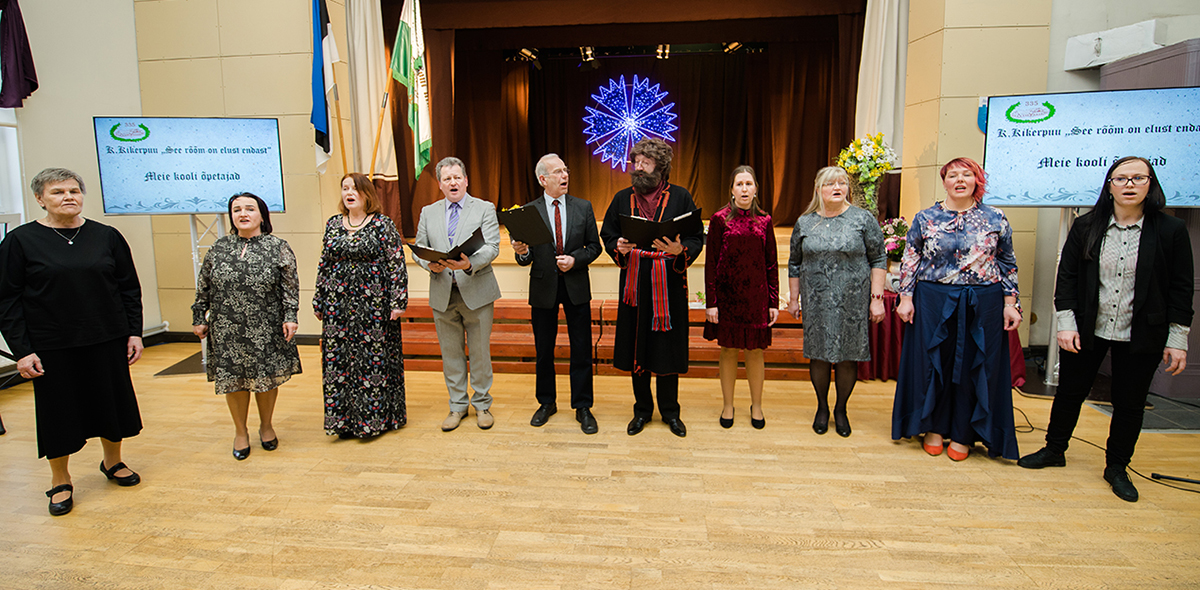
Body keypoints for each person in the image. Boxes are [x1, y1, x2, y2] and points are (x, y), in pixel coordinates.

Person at [1018, 156, 1193, 502]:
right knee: (1070, 392)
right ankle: (1054, 449)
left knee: (1130, 403)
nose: (1129, 184)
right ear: (1109, 185)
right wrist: (1065, 324)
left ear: (1151, 185)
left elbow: (1181, 287)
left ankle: (1117, 467)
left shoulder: (1170, 231)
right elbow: (1067, 278)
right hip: (1087, 327)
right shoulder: (1086, 226)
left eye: (1138, 178)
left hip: (1141, 331)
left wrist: (1178, 339)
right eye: (1121, 178)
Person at [0, 168, 144, 516]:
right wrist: (22, 350)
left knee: (111, 403)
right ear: (40, 199)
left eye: (74, 191)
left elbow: (128, 287)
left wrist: (134, 332)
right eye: (58, 192)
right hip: (51, 344)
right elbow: (7, 299)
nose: (68, 197)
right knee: (58, 413)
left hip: (106, 337)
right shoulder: (20, 241)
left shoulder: (106, 236)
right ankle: (60, 479)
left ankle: (113, 462)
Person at [891, 157, 1022, 461]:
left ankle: (964, 433)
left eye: (967, 175)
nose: (960, 180)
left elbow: (1007, 261)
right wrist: (906, 297)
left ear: (977, 181)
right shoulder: (926, 218)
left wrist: (1010, 303)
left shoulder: (995, 218)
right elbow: (911, 259)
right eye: (953, 175)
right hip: (933, 300)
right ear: (944, 182)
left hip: (983, 301)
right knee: (935, 363)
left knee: (974, 366)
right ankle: (933, 427)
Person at [600, 138, 704, 437]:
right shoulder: (622, 198)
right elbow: (609, 234)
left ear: (660, 166)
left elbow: (696, 236)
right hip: (634, 287)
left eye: (646, 162)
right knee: (638, 346)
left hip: (668, 288)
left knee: (667, 348)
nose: (639, 167)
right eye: (636, 162)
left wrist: (679, 249)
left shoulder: (681, 197)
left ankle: (671, 412)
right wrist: (618, 246)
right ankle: (642, 411)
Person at [192, 192, 302, 460]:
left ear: (261, 215)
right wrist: (199, 316)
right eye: (237, 209)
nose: (243, 214)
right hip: (226, 326)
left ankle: (266, 426)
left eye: (249, 209)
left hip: (266, 325)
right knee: (234, 380)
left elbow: (290, 287)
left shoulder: (278, 247)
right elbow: (204, 285)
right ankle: (240, 432)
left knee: (266, 378)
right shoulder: (218, 248)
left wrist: (291, 316)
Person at [787, 166, 886, 437]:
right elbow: (794, 262)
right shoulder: (805, 222)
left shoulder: (862, 219)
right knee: (818, 355)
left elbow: (878, 258)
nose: (837, 188)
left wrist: (877, 299)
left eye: (842, 183)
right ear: (819, 189)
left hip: (853, 301)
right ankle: (822, 407)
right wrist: (794, 299)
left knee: (847, 357)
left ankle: (841, 409)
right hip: (816, 301)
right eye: (830, 184)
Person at [512, 154, 603, 434]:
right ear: (543, 179)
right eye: (558, 172)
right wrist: (522, 252)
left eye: (566, 170)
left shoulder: (583, 207)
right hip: (543, 288)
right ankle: (546, 402)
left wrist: (575, 260)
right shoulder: (528, 211)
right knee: (544, 351)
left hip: (576, 286)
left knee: (581, 349)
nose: (565, 176)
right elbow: (525, 258)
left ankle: (583, 406)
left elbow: (595, 247)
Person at [313, 173, 408, 439]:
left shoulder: (382, 224)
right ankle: (342, 422)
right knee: (338, 362)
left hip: (374, 304)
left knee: (372, 362)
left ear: (367, 194)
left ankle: (375, 421)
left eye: (354, 188)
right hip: (337, 305)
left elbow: (396, 263)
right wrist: (319, 299)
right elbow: (324, 263)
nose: (349, 193)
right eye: (345, 188)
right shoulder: (333, 224)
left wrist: (398, 300)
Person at [414, 157, 502, 431]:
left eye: (457, 177)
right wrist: (427, 263)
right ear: (440, 184)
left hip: (477, 291)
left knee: (479, 353)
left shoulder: (484, 208)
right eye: (447, 179)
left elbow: (492, 247)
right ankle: (457, 406)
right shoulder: (428, 212)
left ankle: (482, 405)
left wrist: (469, 264)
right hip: (443, 292)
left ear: (466, 180)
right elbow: (419, 247)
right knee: (450, 354)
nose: (452, 182)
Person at [704, 165, 779, 429]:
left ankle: (756, 405)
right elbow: (710, 263)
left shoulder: (765, 221)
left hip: (756, 297)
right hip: (727, 298)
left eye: (749, 184)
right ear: (732, 190)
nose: (744, 189)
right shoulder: (719, 219)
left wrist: (773, 301)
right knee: (728, 350)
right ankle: (728, 405)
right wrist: (711, 302)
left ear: (756, 189)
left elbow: (772, 263)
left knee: (755, 352)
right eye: (739, 184)